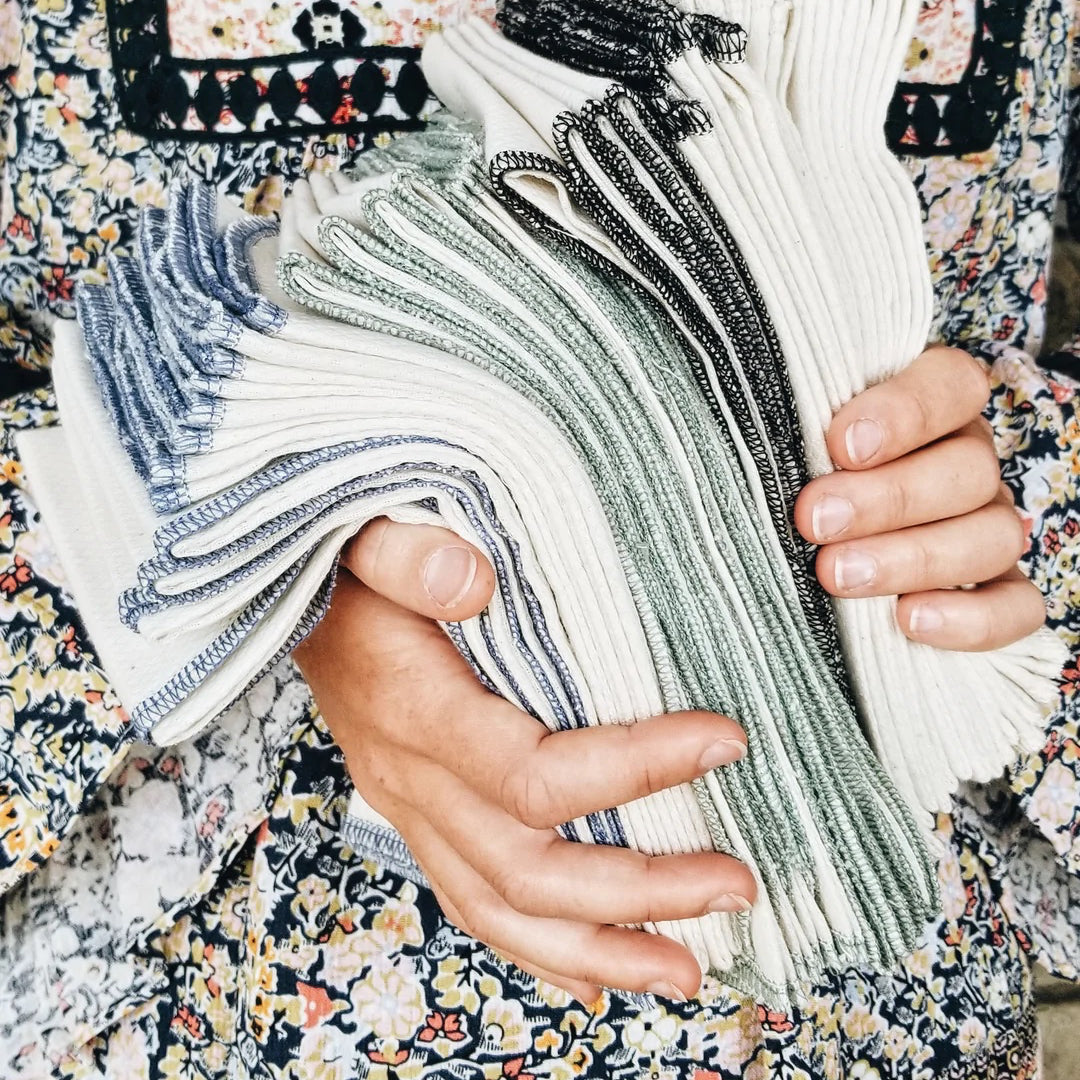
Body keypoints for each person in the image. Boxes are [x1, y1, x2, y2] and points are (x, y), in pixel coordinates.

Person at [0, 0, 1077, 1077]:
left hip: (875, 986)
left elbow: (1013, 356)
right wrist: (289, 556)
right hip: (240, 1001)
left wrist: (992, 493)